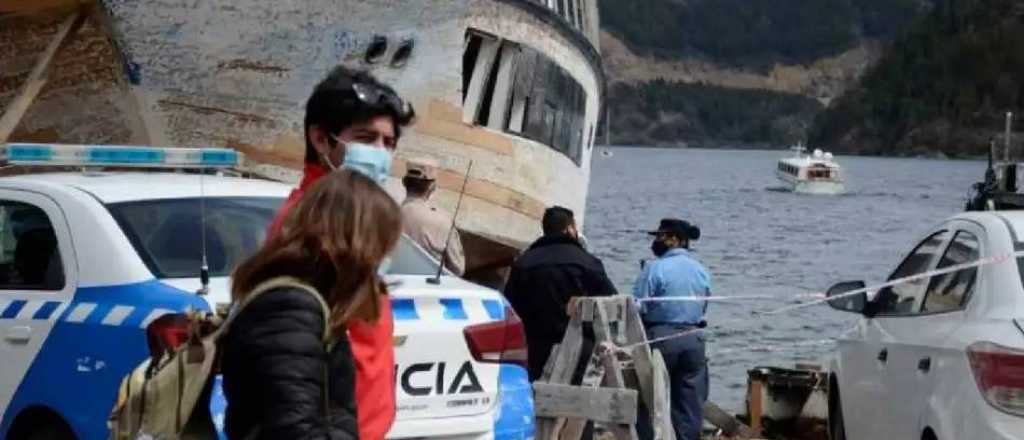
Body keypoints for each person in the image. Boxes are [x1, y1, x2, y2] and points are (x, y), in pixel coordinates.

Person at [266, 65, 414, 440]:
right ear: (320, 138)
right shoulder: (310, 227)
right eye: (366, 139)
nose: (380, 153)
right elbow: (290, 365)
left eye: (389, 143)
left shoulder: (350, 221)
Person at [223, 170, 403, 439]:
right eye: (380, 247)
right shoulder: (290, 309)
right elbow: (294, 431)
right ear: (356, 244)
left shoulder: (307, 302)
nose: (381, 261)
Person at [503, 206, 618, 381]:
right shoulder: (587, 261)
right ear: (569, 229)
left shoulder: (524, 262)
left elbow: (510, 304)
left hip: (534, 344)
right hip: (579, 346)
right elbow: (610, 300)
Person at [632, 218, 711, 440]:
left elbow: (638, 306)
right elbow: (704, 304)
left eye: (660, 236)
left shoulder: (654, 268)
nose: (655, 241)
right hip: (694, 338)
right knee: (690, 402)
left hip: (662, 337)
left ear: (675, 239)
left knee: (650, 398)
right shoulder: (700, 270)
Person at [400, 159, 466, 276]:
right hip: (425, 290)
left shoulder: (388, 214)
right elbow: (458, 268)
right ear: (432, 187)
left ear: (404, 182)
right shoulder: (443, 221)